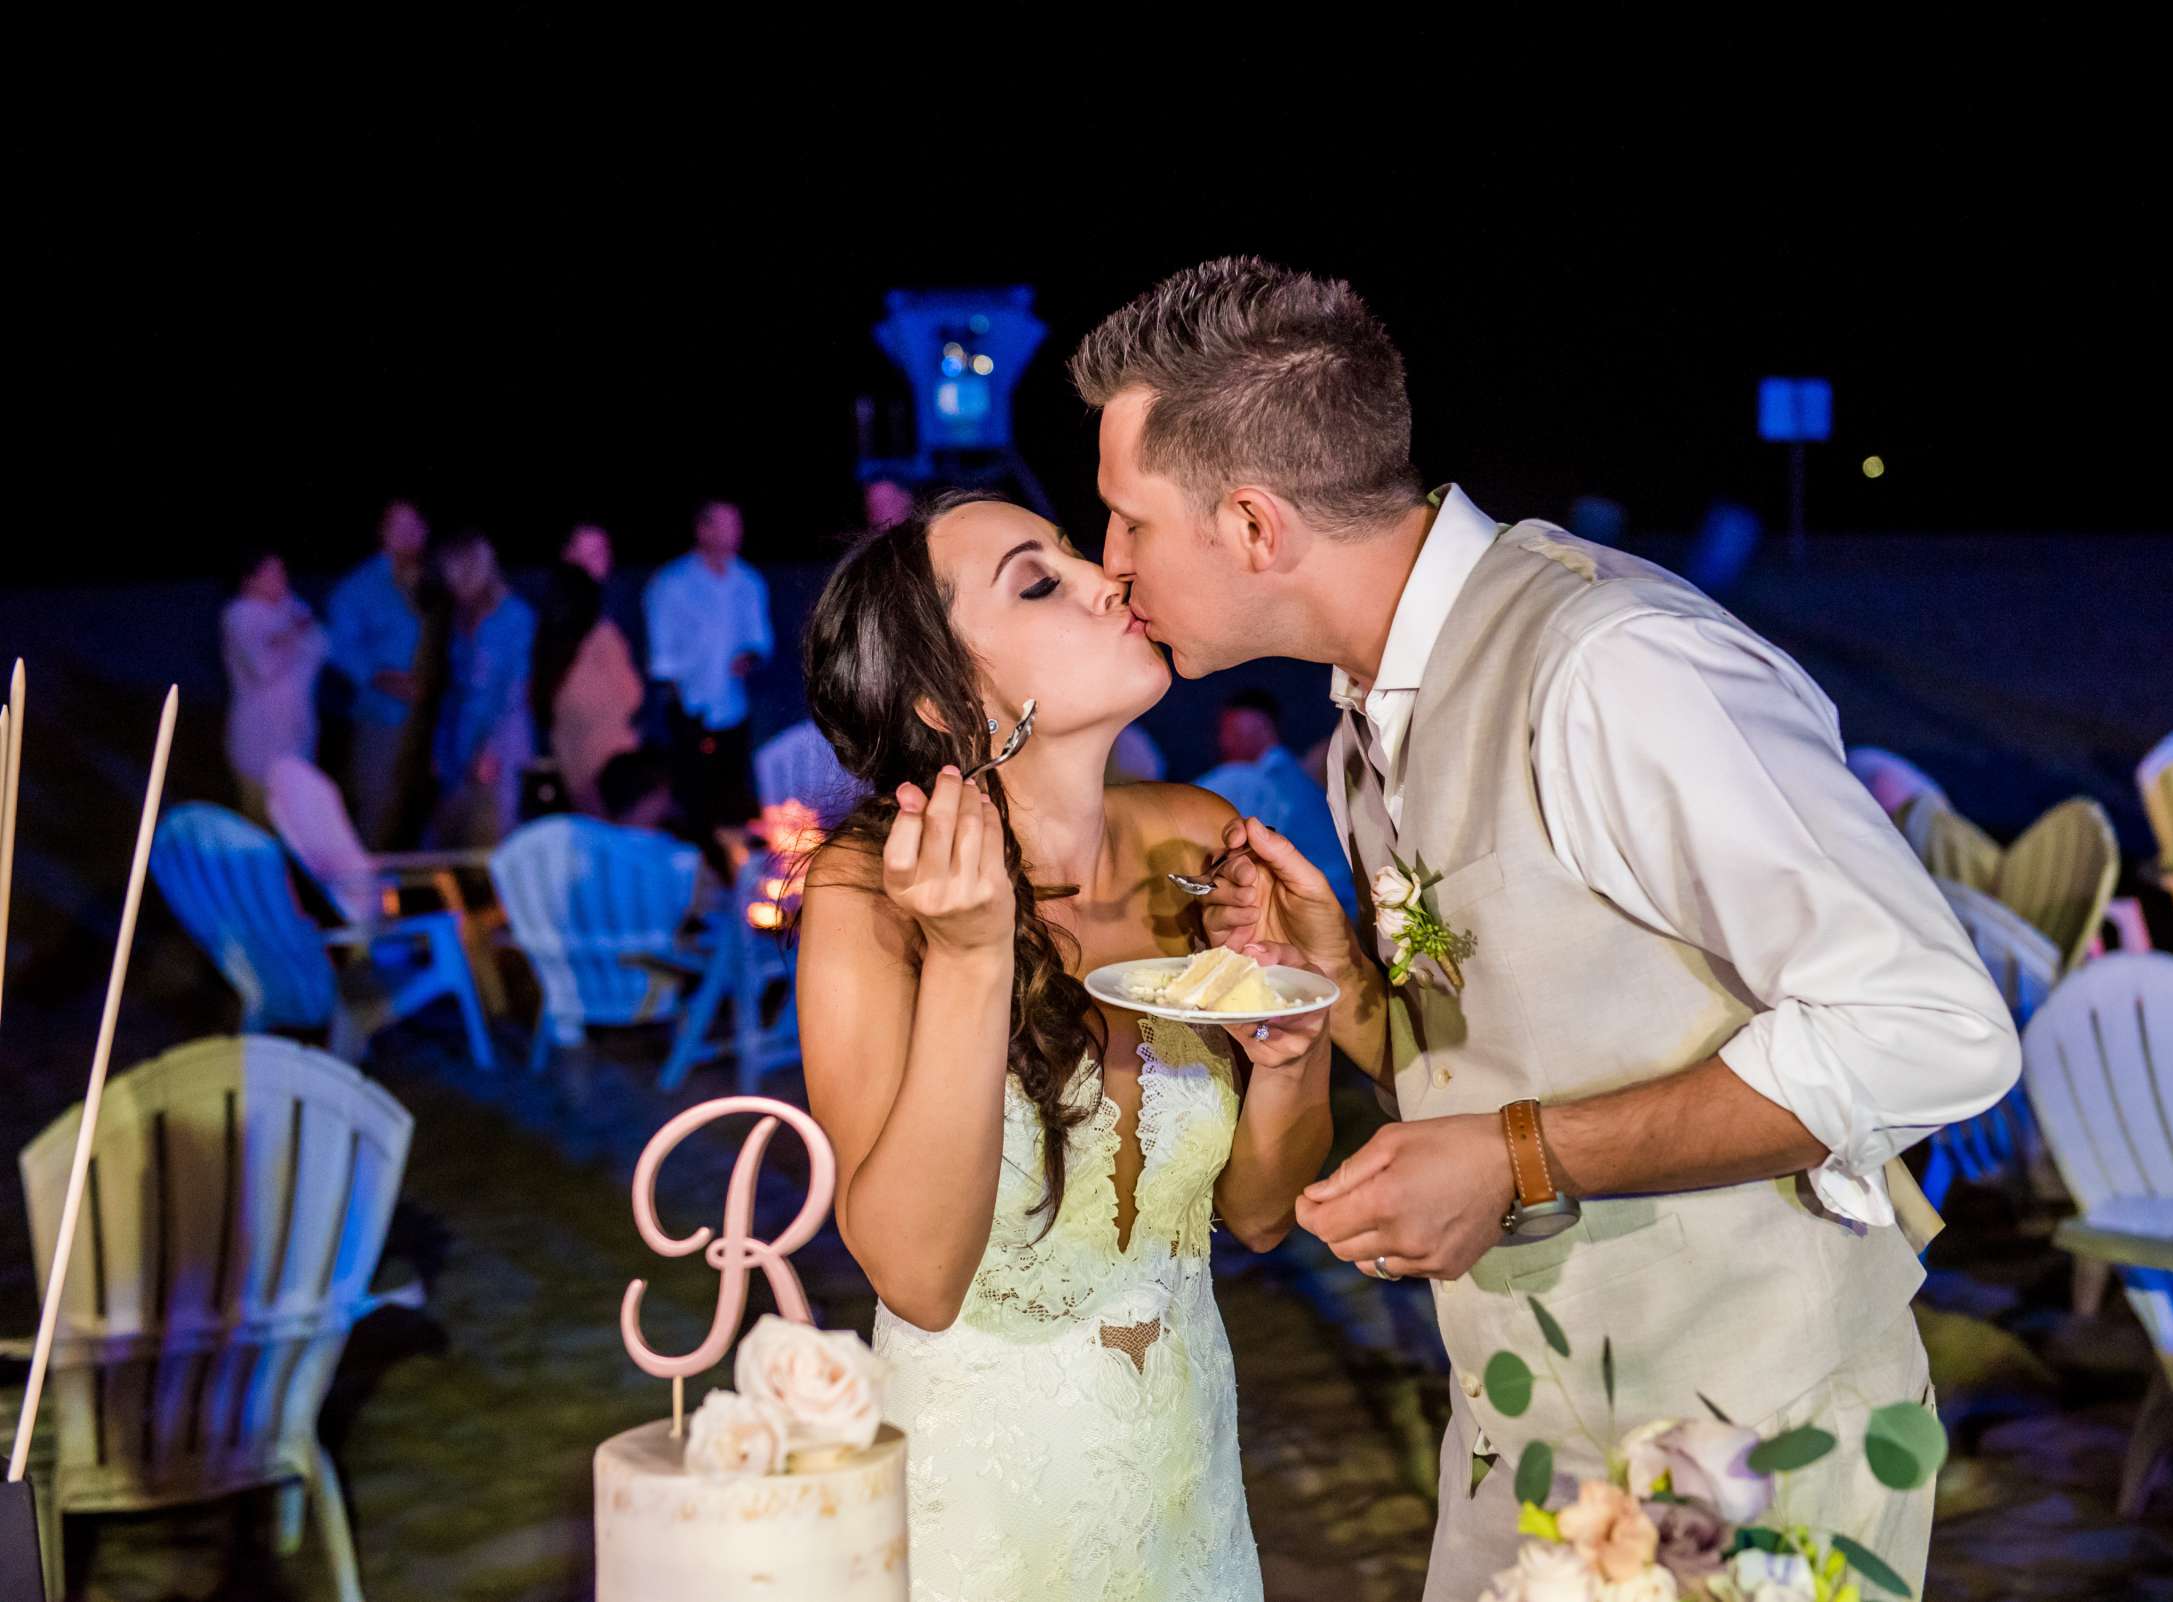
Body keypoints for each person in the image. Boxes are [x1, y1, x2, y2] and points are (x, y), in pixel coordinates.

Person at [1072, 258, 2018, 1601]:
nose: (1109, 565)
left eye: (1125, 521)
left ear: (1251, 523)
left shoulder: (1610, 664)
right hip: (1524, 1431)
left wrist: (1517, 1158)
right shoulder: (1369, 717)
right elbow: (1520, 1047)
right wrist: (1347, 982)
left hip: (1751, 1444)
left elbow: (1932, 1029)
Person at [792, 492, 1337, 1601]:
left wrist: (1290, 1044)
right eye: (1040, 581)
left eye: (1078, 557)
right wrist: (973, 956)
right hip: (981, 1519)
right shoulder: (868, 896)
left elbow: (1263, 1216)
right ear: (942, 703)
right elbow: (918, 1278)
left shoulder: (1189, 836)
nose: (1107, 580)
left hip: (1186, 1491)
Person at [643, 500, 772, 832]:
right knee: (692, 804)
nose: (734, 534)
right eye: (725, 525)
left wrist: (749, 658)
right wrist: (680, 713)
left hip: (733, 708)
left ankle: (735, 876)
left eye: (737, 525)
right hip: (688, 710)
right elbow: (662, 657)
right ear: (703, 530)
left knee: (732, 800)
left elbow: (760, 641)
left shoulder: (748, 581)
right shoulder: (670, 583)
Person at [1193, 689, 1358, 918]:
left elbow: (1181, 811)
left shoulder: (1246, 779)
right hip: (1345, 905)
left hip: (1314, 908)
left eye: (1231, 731)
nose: (1224, 741)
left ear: (1259, 728)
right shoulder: (1298, 777)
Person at [326, 499, 429, 847]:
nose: (409, 536)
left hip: (433, 725)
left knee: (425, 814)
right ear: (383, 532)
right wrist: (383, 678)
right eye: (400, 527)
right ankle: (369, 896)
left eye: (415, 526)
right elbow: (340, 648)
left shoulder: (437, 581)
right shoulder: (359, 587)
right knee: (379, 810)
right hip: (382, 719)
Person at [427, 530, 536, 847]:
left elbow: (515, 690)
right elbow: (454, 690)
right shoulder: (459, 618)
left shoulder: (515, 617)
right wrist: (440, 748)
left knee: (496, 834)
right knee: (453, 832)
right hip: (460, 741)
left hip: (502, 742)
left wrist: (490, 748)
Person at [533, 534, 643, 815]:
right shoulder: (601, 636)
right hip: (613, 773)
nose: (602, 561)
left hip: (576, 772)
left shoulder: (549, 643)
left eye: (604, 550)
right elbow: (632, 695)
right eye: (591, 553)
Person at [220, 549, 326, 821]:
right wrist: (294, 633)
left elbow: (323, 645)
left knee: (300, 825)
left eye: (281, 571)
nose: (280, 578)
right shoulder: (239, 615)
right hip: (260, 740)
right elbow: (262, 666)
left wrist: (291, 635)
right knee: (262, 824)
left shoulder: (293, 606)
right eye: (270, 572)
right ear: (249, 579)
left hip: (298, 733)